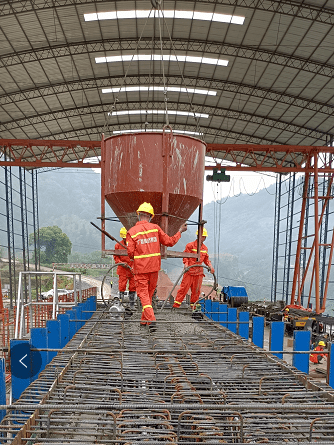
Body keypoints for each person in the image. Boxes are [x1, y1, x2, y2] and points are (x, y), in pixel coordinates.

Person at [126, 202, 187, 332]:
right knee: (147, 295)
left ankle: (152, 320)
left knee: (143, 295)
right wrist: (180, 231)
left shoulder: (132, 232)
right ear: (150, 216)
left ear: (138, 215)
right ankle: (144, 321)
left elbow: (130, 253)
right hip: (154, 269)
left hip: (140, 270)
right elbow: (170, 242)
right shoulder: (155, 228)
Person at [172, 228, 214, 310]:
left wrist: (210, 266)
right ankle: (176, 306)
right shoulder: (190, 245)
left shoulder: (205, 248)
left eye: (205, 237)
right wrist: (186, 264)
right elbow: (186, 256)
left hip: (199, 273)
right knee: (183, 289)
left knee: (196, 291)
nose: (204, 238)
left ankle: (193, 307)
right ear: (198, 236)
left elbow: (206, 259)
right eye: (203, 236)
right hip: (189, 271)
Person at [113, 227, 136, 309]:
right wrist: (121, 263)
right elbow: (116, 257)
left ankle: (132, 305)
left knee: (133, 286)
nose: (125, 239)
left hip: (132, 269)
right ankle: (121, 303)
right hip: (123, 269)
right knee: (122, 286)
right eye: (124, 238)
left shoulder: (133, 244)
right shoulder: (118, 245)